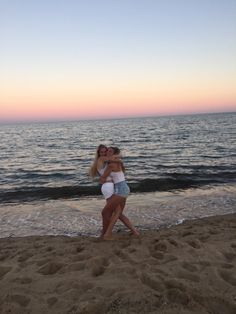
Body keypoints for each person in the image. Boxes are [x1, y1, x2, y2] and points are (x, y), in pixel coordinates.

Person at [89, 144, 139, 239]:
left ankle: (107, 233)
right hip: (119, 188)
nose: (105, 153)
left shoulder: (111, 164)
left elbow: (103, 178)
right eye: (102, 152)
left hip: (119, 189)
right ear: (98, 153)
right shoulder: (104, 160)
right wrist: (118, 158)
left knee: (109, 212)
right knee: (118, 213)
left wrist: (105, 179)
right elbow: (117, 160)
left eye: (107, 151)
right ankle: (134, 232)